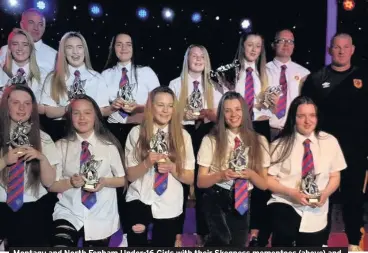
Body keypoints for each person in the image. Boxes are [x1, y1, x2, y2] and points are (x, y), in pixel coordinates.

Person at [301, 33, 368, 251]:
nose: (340, 51)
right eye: (336, 47)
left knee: (353, 198)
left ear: (352, 49)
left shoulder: (363, 77)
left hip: (355, 151)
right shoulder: (315, 79)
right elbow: (306, 115)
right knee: (322, 196)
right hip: (323, 150)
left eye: (345, 47)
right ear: (330, 50)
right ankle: (320, 242)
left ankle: (354, 243)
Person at [102, 32, 160, 246]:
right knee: (120, 180)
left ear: (134, 48)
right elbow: (99, 109)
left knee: (139, 179)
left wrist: (137, 107)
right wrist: (112, 107)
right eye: (119, 44)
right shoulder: (106, 75)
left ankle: (143, 223)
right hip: (114, 131)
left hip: (139, 130)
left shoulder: (146, 73)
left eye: (128, 44)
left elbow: (158, 104)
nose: (124, 48)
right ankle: (125, 230)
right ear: (113, 47)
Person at [267, 96, 346, 247]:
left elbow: (335, 176)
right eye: (301, 116)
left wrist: (325, 194)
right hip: (286, 203)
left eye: (312, 115)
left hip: (317, 207)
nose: (307, 121)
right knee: (285, 234)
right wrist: (291, 193)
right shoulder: (280, 145)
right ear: (293, 118)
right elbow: (268, 179)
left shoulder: (330, 141)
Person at [49, 94, 126, 247]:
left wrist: (104, 182)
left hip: (101, 217)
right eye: (76, 113)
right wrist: (70, 182)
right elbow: (52, 185)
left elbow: (123, 179)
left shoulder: (109, 147)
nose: (82, 118)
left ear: (96, 116)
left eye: (87, 113)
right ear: (70, 117)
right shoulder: (60, 146)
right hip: (69, 212)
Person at [197, 91, 269, 247]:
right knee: (221, 240)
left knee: (238, 244)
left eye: (237, 109)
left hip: (243, 197)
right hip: (216, 196)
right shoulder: (211, 140)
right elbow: (201, 182)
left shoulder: (259, 141)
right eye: (227, 110)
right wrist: (221, 175)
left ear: (245, 110)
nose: (233, 114)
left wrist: (250, 174)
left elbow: (263, 184)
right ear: (222, 114)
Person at [124, 86, 195, 246]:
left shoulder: (183, 136)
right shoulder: (136, 133)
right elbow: (131, 175)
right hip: (140, 197)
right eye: (160, 105)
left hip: (169, 203)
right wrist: (147, 162)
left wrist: (172, 168)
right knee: (137, 232)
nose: (165, 111)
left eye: (170, 106)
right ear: (151, 106)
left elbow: (190, 178)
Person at [169, 44, 222, 246]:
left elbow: (222, 116)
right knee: (181, 185)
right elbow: (167, 112)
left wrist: (210, 114)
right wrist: (180, 114)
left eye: (202, 56)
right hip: (183, 133)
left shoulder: (215, 85)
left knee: (203, 187)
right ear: (187, 59)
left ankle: (203, 234)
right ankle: (177, 234)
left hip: (206, 134)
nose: (198, 59)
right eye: (194, 56)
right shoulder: (176, 84)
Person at [0, 85, 59, 248]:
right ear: (6, 105)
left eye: (27, 103)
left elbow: (49, 183)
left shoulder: (44, 138)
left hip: (32, 210)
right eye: (16, 102)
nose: (21, 108)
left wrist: (42, 158)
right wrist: (4, 161)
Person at [38, 31, 112, 141]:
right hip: (61, 131)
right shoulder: (53, 78)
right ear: (63, 51)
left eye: (79, 47)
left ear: (84, 50)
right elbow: (49, 111)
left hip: (91, 131)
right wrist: (69, 109)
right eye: (69, 47)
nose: (75, 52)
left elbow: (102, 110)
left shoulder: (97, 78)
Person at [0, 8, 57, 72]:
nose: (36, 28)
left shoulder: (54, 55)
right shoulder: (5, 50)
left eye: (40, 24)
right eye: (31, 22)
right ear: (22, 25)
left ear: (44, 28)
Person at [0, 28, 46, 102]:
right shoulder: (1, 71)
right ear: (9, 48)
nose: (20, 48)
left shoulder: (42, 74)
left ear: (31, 48)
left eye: (25, 44)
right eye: (15, 44)